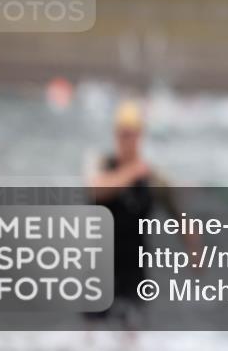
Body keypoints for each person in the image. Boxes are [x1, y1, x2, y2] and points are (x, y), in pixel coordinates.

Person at [84, 100, 197, 331]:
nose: (127, 140)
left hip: (134, 267)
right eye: (123, 134)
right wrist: (132, 171)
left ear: (140, 136)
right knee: (92, 332)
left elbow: (180, 215)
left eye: (132, 134)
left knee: (131, 329)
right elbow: (96, 189)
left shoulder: (153, 178)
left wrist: (194, 251)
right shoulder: (102, 164)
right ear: (116, 135)